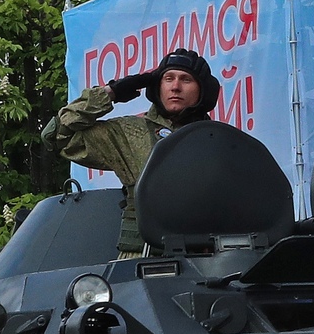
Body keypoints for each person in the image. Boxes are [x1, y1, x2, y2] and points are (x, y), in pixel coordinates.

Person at [45, 48, 221, 256]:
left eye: (186, 80)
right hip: (140, 258)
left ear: (202, 90)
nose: (175, 87)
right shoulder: (129, 133)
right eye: (168, 78)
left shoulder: (219, 139)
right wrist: (110, 93)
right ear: (157, 87)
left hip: (207, 259)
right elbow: (57, 135)